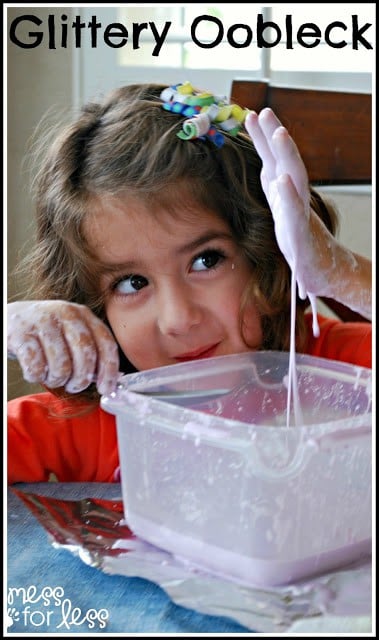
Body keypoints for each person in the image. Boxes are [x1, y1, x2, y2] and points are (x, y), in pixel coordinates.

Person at [7, 81, 372, 485]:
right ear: (93, 306)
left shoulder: (341, 371)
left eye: (206, 260)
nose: (179, 318)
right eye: (131, 283)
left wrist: (346, 273)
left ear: (264, 253)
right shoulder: (88, 421)